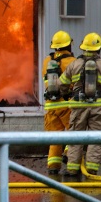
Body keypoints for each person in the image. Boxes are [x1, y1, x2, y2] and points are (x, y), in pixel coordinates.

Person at [58, 32, 101, 178]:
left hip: (78, 106)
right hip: (98, 107)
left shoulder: (75, 64)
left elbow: (62, 84)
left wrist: (65, 94)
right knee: (96, 138)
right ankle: (91, 171)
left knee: (75, 137)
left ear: (84, 47)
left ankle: (72, 170)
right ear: (99, 48)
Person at [41, 30, 75, 176]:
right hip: (67, 104)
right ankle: (68, 155)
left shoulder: (47, 61)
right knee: (74, 132)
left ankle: (53, 167)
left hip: (51, 105)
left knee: (55, 138)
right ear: (69, 45)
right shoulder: (73, 62)